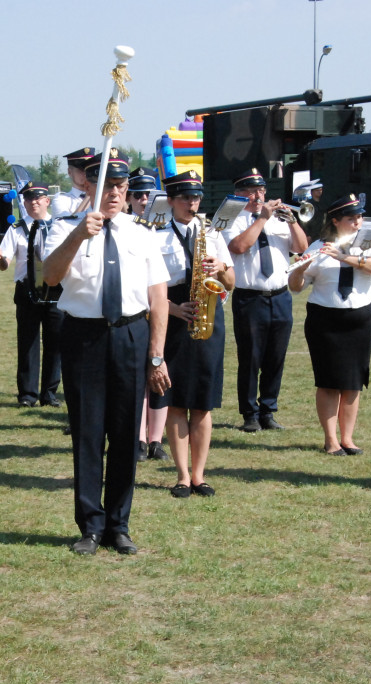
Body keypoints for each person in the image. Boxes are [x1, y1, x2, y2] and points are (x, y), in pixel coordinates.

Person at [43, 149, 171, 556]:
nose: (114, 193)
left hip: (130, 334)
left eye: (120, 186)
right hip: (84, 336)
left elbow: (158, 298)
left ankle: (119, 523)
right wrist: (79, 234)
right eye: (106, 186)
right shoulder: (65, 228)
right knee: (87, 432)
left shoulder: (143, 233)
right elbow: (49, 276)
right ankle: (90, 525)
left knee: (124, 433)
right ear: (88, 185)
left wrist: (156, 354)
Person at [151, 171, 235, 497]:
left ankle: (200, 475)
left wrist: (222, 269)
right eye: (185, 197)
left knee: (203, 401)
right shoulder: (156, 236)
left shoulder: (212, 234)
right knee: (176, 401)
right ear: (171, 200)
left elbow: (231, 285)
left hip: (209, 317)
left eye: (196, 197)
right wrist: (172, 309)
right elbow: (146, 289)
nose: (192, 202)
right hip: (173, 318)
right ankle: (182, 476)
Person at [288, 194, 371, 456]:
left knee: (353, 382)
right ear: (336, 221)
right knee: (329, 381)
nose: (358, 222)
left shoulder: (368, 243)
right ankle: (331, 440)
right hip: (325, 321)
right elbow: (296, 288)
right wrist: (299, 269)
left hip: (361, 319)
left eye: (359, 217)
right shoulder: (318, 247)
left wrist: (344, 257)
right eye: (351, 218)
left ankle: (349, 438)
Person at [221, 168, 309, 433]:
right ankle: (249, 413)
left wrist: (292, 221)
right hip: (250, 297)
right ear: (240, 194)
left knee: (276, 356)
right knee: (250, 357)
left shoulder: (279, 219)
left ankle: (269, 410)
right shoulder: (233, 218)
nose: (259, 196)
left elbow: (302, 247)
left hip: (280, 295)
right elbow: (238, 247)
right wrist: (261, 218)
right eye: (252, 192)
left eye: (261, 191)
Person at [0, 181, 64, 408]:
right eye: (29, 198)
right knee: (28, 343)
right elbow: (5, 264)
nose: (34, 202)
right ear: (23, 202)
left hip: (56, 290)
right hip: (27, 291)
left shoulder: (60, 227)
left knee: (56, 343)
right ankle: (27, 395)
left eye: (38, 197)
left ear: (47, 201)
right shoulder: (16, 229)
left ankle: (49, 394)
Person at [124, 165, 167, 460]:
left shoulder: (166, 228)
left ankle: (157, 439)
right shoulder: (124, 229)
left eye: (147, 195)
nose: (142, 200)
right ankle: (138, 438)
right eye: (137, 194)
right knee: (138, 380)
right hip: (136, 310)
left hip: (167, 310)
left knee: (162, 378)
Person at [50, 147, 95, 217]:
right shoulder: (61, 200)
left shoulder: (100, 196)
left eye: (89, 169)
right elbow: (68, 224)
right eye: (81, 170)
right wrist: (89, 196)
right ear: (70, 172)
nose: (86, 173)